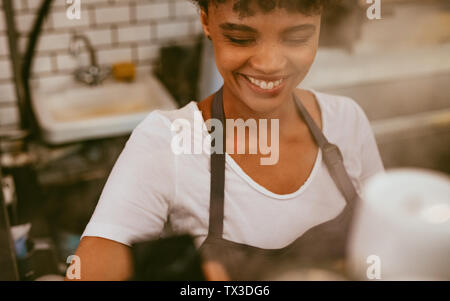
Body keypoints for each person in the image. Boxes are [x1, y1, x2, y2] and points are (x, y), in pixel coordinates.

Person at [68, 0, 384, 281]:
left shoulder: (346, 120)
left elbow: (386, 240)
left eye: (297, 37)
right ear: (206, 21)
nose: (270, 63)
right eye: (240, 38)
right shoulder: (167, 142)